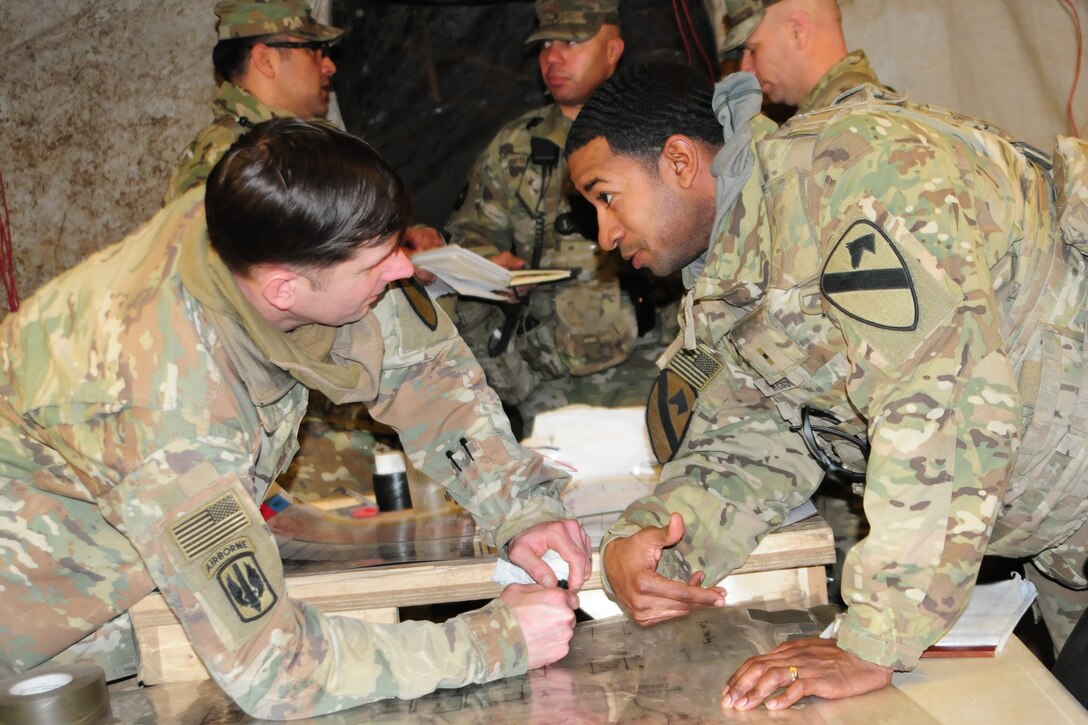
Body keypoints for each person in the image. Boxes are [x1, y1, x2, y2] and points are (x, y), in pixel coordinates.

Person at [0, 118, 593, 720]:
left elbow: (424, 374)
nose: (405, 272)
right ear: (283, 292)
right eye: (377, 264)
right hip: (42, 649)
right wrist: (496, 641)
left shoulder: (272, 223)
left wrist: (520, 510)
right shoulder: (165, 416)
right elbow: (277, 670)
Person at [565, 62, 1088, 709]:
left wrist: (872, 638)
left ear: (677, 160)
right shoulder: (737, 272)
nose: (604, 236)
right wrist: (646, 548)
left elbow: (940, 407)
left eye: (605, 196)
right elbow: (749, 440)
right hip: (1062, 537)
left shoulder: (853, 179)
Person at [447, 0, 665, 433]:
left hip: (648, 361)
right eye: (545, 43)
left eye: (570, 41)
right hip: (549, 371)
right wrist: (488, 267)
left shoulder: (657, 133)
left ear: (613, 50)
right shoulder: (513, 145)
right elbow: (468, 234)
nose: (553, 56)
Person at [721, 0, 889, 114]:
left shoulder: (844, 131)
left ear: (797, 31)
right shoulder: (874, 110)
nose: (746, 70)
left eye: (752, 50)